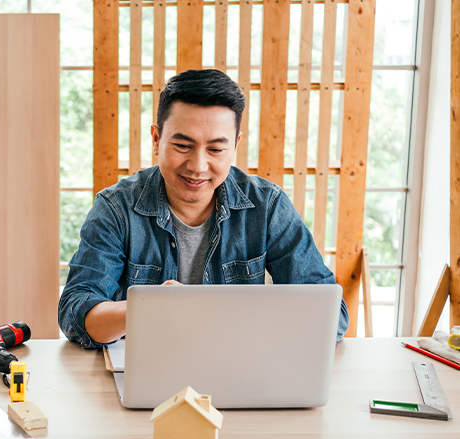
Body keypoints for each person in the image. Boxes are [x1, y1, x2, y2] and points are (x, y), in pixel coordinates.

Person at [58, 69, 349, 349]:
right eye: (183, 145)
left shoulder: (267, 206)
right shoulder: (116, 208)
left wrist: (222, 315)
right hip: (147, 368)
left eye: (215, 150)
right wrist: (150, 308)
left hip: (241, 371)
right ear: (157, 139)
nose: (198, 166)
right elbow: (75, 311)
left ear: (235, 145)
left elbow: (331, 315)